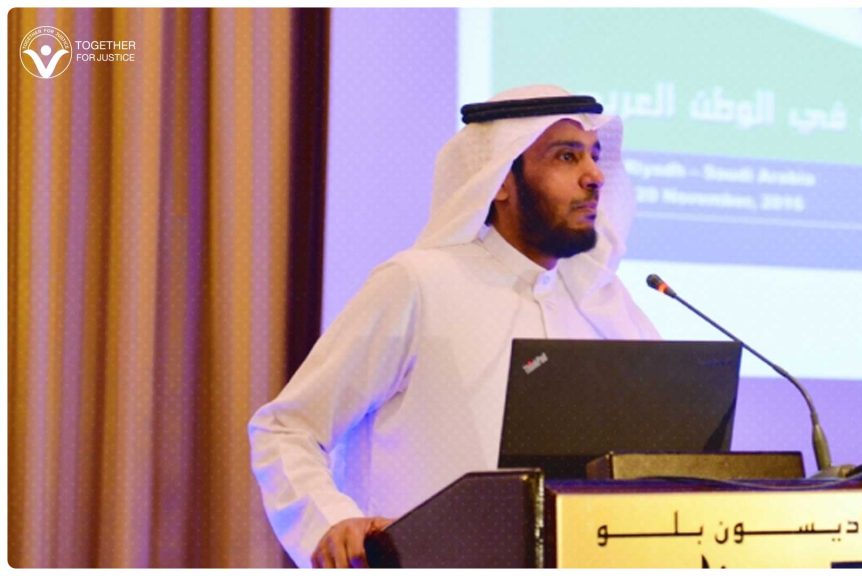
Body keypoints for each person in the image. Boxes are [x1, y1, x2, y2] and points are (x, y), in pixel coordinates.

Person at [248, 85, 660, 568]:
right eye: (567, 157)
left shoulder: (608, 306)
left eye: (594, 155)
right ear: (500, 179)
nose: (594, 176)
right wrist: (332, 523)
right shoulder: (419, 284)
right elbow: (287, 428)